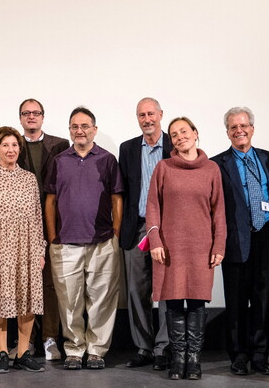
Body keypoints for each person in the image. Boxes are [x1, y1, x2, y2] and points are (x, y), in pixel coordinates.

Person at [146, 117, 226, 380]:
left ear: (195, 132)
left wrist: (219, 245)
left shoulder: (211, 168)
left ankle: (194, 359)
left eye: (184, 131)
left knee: (196, 300)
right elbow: (153, 208)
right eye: (174, 134)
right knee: (172, 301)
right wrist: (155, 241)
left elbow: (218, 212)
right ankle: (177, 357)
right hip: (170, 247)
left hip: (201, 246)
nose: (180, 136)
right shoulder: (163, 167)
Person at [44, 106, 124, 370]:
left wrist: (115, 233)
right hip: (65, 243)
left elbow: (116, 198)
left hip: (102, 241)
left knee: (101, 298)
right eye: (75, 127)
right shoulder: (59, 160)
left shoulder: (108, 159)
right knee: (69, 300)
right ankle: (74, 350)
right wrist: (53, 235)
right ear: (70, 130)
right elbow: (51, 200)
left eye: (85, 126)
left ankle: (97, 351)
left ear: (94, 130)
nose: (80, 131)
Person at [0, 126, 46, 374]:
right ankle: (2, 352)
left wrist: (39, 251)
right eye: (5, 145)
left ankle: (23, 353)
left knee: (28, 302)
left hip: (26, 251)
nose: (11, 149)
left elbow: (37, 218)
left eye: (14, 145)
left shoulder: (29, 179)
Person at [210, 107, 269, 376]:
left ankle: (260, 356)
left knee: (262, 301)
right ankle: (238, 355)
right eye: (233, 127)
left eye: (243, 126)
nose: (239, 131)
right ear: (227, 132)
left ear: (252, 128)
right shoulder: (217, 164)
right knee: (236, 303)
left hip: (265, 239)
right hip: (235, 241)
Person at [119, 97, 173, 371]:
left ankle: (164, 348)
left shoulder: (175, 145)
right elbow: (123, 193)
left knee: (165, 289)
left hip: (168, 229)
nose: (147, 119)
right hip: (137, 228)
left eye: (151, 113)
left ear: (161, 114)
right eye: (141, 115)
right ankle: (144, 347)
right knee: (136, 290)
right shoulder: (127, 149)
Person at [16, 98, 69, 361]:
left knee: (49, 284)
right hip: (20, 227)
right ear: (20, 118)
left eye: (36, 113)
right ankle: (27, 341)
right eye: (26, 113)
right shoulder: (12, 145)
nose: (31, 117)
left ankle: (50, 338)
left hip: (51, 224)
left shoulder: (60, 145)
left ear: (43, 117)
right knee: (24, 285)